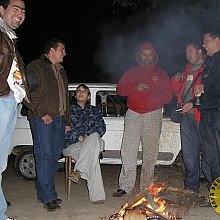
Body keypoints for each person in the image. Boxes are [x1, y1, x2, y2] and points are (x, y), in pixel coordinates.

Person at [113, 43, 172, 197]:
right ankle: (125, 185)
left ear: (154, 56)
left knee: (150, 153)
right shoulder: (131, 72)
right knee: (128, 150)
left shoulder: (161, 73)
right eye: (144, 54)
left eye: (149, 54)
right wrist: (134, 87)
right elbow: (120, 89)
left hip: (153, 114)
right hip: (133, 114)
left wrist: (154, 94)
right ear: (139, 55)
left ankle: (146, 186)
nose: (146, 57)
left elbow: (168, 96)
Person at [25, 39, 71, 211]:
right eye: (62, 49)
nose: (64, 53)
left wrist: (67, 121)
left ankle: (42, 191)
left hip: (59, 120)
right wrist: (40, 112)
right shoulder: (36, 66)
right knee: (44, 156)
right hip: (43, 119)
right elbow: (25, 90)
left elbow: (65, 98)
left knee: (54, 156)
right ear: (52, 50)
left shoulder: (61, 71)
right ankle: (49, 196)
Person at [171, 42, 212, 193]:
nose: (187, 55)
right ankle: (191, 187)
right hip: (186, 117)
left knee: (209, 154)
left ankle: (213, 187)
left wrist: (194, 104)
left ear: (200, 51)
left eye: (190, 51)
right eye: (186, 52)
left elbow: (211, 94)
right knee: (189, 153)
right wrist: (175, 79)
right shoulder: (186, 70)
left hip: (203, 117)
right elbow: (176, 92)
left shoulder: (208, 68)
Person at [0, 0, 28, 219]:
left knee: (0, 165)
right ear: (1, 10)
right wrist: (3, 90)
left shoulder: (9, 37)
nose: (20, 14)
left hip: (10, 103)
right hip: (2, 99)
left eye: (23, 11)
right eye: (15, 9)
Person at [63, 84, 106, 204]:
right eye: (78, 91)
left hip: (92, 142)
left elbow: (101, 127)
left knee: (94, 137)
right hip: (73, 144)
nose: (81, 93)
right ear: (75, 95)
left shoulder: (94, 110)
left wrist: (88, 136)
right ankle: (97, 197)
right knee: (93, 158)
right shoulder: (67, 111)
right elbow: (62, 131)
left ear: (88, 96)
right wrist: (78, 136)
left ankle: (79, 171)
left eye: (84, 91)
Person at [194, 29, 220, 189]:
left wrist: (206, 88)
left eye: (206, 42)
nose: (204, 46)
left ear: (218, 40)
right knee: (212, 158)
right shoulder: (209, 63)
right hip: (206, 114)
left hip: (218, 114)